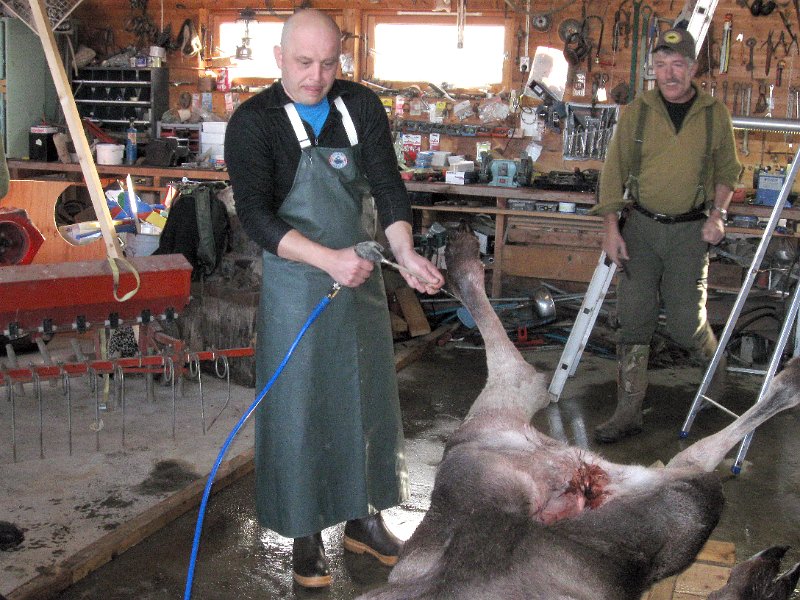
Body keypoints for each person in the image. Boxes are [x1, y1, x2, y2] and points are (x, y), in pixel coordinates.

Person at [224, 8, 444, 589]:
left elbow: (388, 186)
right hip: (299, 286)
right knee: (302, 411)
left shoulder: (360, 107)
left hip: (360, 280)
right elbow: (255, 216)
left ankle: (363, 520)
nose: (316, 77)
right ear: (277, 58)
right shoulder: (254, 123)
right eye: (303, 63)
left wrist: (406, 250)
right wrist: (327, 259)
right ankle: (304, 537)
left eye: (328, 63)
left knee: (367, 399)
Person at [591, 27, 742, 444]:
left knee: (683, 322)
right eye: (661, 65)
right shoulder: (636, 112)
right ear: (651, 69)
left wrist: (718, 215)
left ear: (693, 68)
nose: (669, 74)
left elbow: (729, 172)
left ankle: (715, 377)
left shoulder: (714, 115)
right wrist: (610, 229)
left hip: (689, 232)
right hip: (639, 229)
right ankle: (627, 411)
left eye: (678, 65)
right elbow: (613, 173)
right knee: (634, 321)